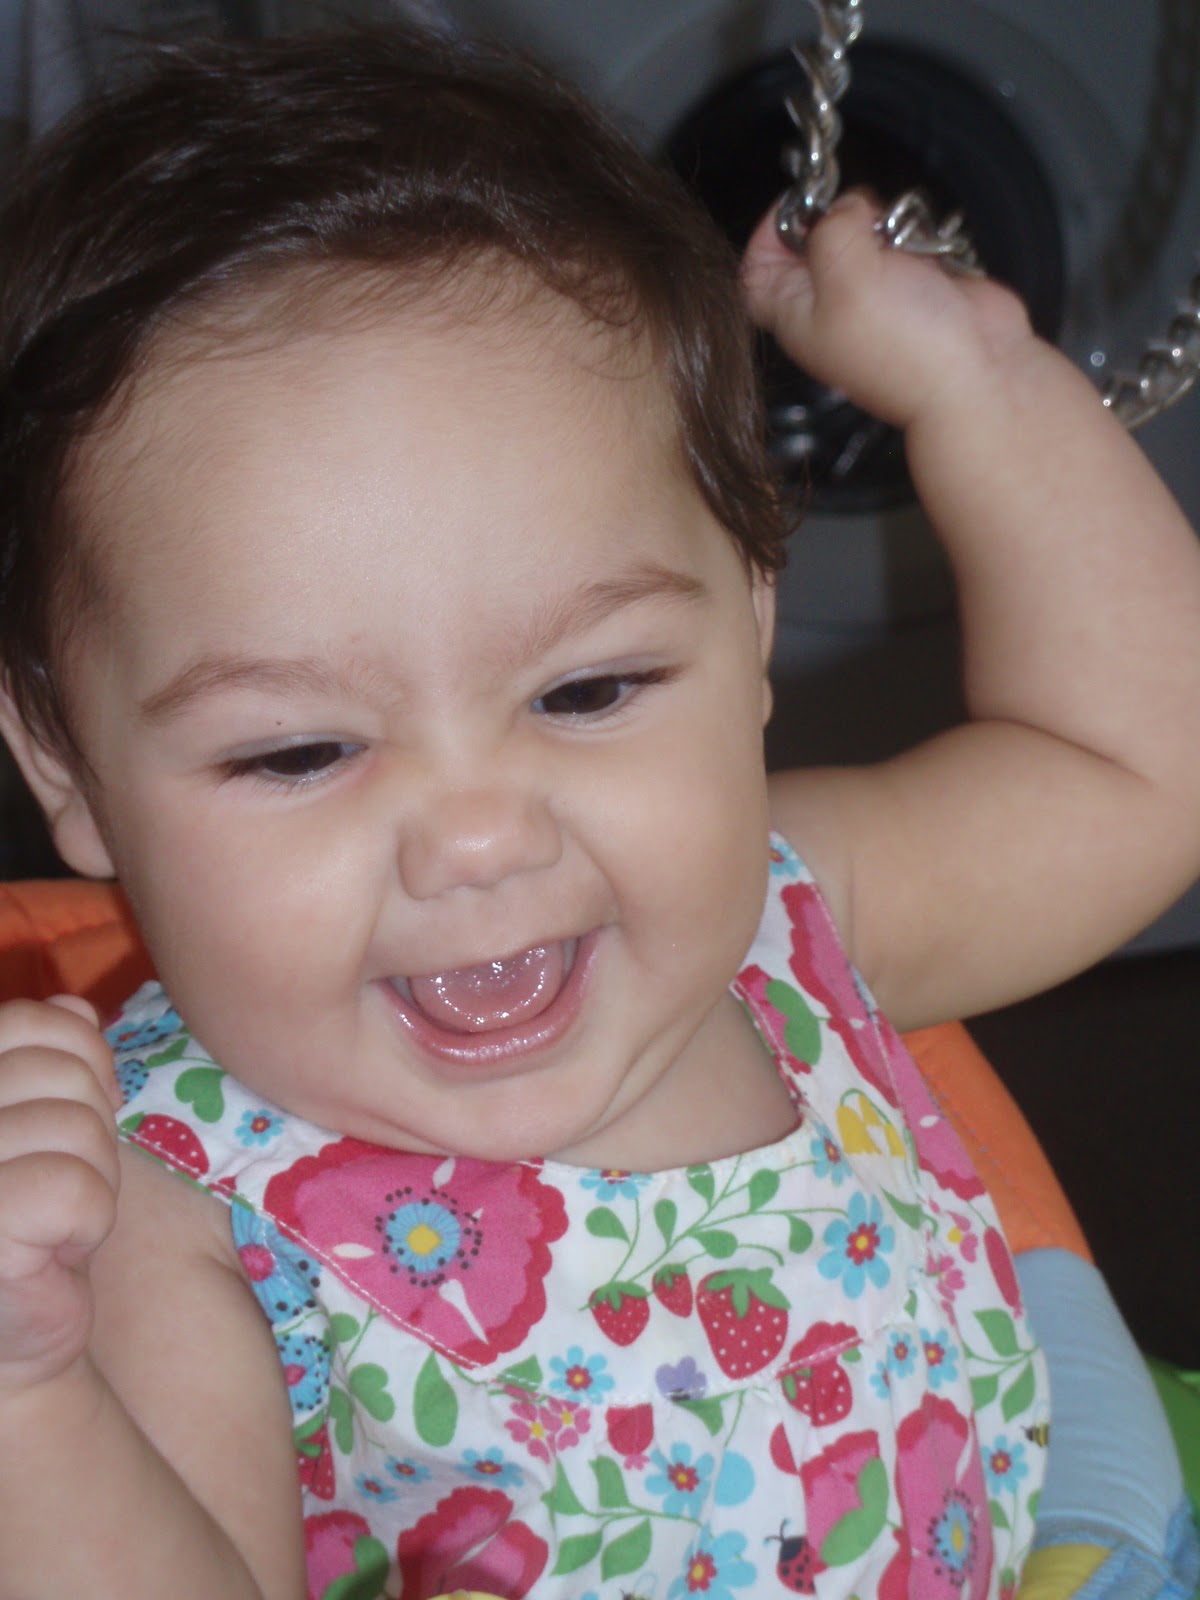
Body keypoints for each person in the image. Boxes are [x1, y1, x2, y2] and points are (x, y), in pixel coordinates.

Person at [0, 22, 1197, 1600]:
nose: (478, 838)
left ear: (748, 621)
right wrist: (33, 1396)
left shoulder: (781, 912)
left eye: (586, 690)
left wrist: (980, 384)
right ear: (68, 767)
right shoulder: (170, 1218)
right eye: (300, 753)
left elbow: (1133, 772)